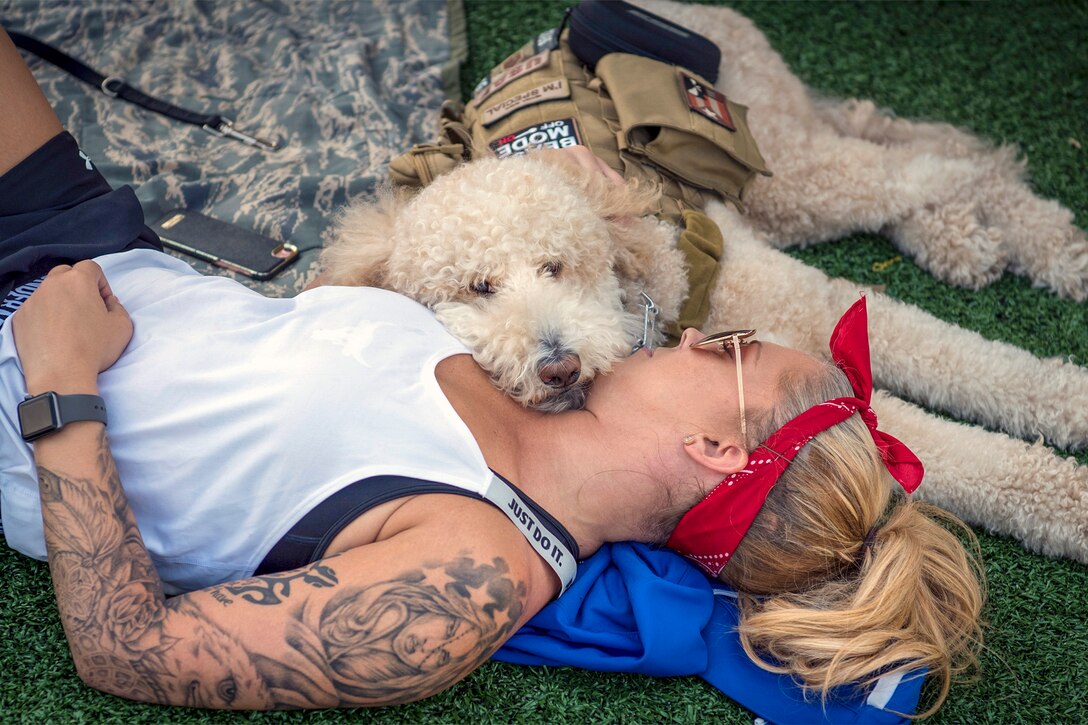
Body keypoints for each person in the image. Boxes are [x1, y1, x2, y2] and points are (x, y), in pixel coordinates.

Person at [0, 28, 982, 714]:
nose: (690, 335)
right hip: (89, 241)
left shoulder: (471, 577)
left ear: (715, 448)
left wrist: (61, 388)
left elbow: (127, 648)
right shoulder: (518, 366)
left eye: (721, 351)